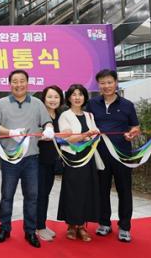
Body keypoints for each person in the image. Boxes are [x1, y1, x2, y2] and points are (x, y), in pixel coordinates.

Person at [0, 69, 54, 248]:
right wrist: (11, 132)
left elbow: (46, 122)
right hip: (9, 158)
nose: (18, 84)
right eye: (15, 81)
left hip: (31, 158)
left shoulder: (37, 103)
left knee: (32, 196)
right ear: (9, 84)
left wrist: (49, 128)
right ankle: (4, 228)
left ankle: (30, 231)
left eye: (22, 81)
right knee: (7, 196)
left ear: (27, 83)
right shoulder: (1, 103)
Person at [87, 69, 140, 242]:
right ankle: (104, 223)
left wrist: (132, 134)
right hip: (99, 155)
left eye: (109, 82)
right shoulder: (92, 104)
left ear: (116, 83)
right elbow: (86, 126)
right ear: (98, 85)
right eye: (102, 83)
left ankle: (124, 227)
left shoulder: (127, 105)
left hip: (122, 155)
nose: (106, 86)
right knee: (101, 190)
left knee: (124, 190)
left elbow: (135, 127)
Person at [57, 84, 102, 242]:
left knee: (87, 191)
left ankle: (82, 226)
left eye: (80, 94)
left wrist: (93, 134)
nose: (77, 97)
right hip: (73, 159)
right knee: (72, 191)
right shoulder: (65, 115)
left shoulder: (89, 115)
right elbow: (68, 138)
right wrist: (85, 135)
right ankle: (71, 225)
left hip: (88, 157)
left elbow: (95, 134)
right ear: (69, 98)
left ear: (85, 97)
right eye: (74, 94)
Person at [36, 85, 64, 242]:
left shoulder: (61, 116)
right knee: (40, 194)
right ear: (44, 99)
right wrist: (41, 135)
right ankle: (39, 227)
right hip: (39, 160)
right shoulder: (39, 115)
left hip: (53, 160)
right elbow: (31, 133)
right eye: (50, 97)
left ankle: (42, 224)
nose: (53, 100)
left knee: (46, 193)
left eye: (56, 97)